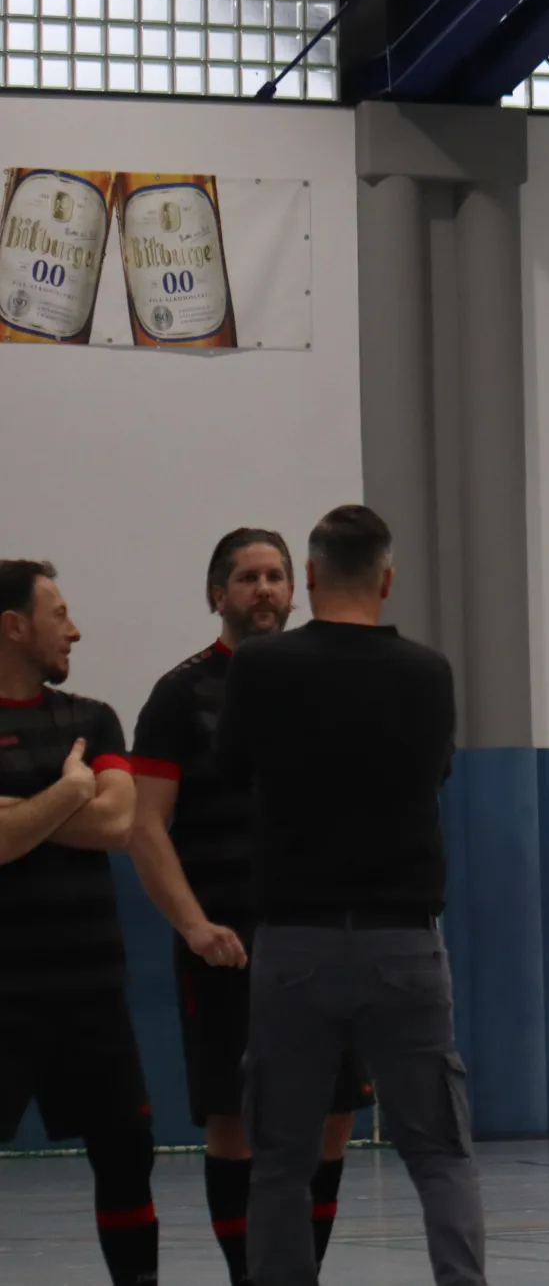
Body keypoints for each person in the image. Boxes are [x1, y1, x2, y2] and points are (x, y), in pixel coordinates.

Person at [217, 506, 485, 1286]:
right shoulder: (429, 673)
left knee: (281, 1159)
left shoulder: (261, 667)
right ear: (387, 578)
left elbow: (231, 769)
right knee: (440, 1152)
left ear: (309, 576)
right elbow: (436, 772)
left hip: (293, 942)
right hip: (403, 940)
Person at [129, 529, 375, 1285]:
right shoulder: (179, 694)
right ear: (217, 594)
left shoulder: (325, 680)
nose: (264, 588)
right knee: (234, 1123)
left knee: (335, 1116)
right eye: (247, 577)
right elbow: (145, 825)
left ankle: (302, 1274)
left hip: (323, 939)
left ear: (296, 589)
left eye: (276, 575)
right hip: (226, 948)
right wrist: (194, 925)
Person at [0, 560, 152, 1286]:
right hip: (3, 992)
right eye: (59, 613)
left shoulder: (93, 719)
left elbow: (119, 822)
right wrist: (68, 791)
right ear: (14, 626)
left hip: (91, 989)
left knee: (126, 1154)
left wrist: (23, 813)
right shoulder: (78, 759)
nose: (76, 629)